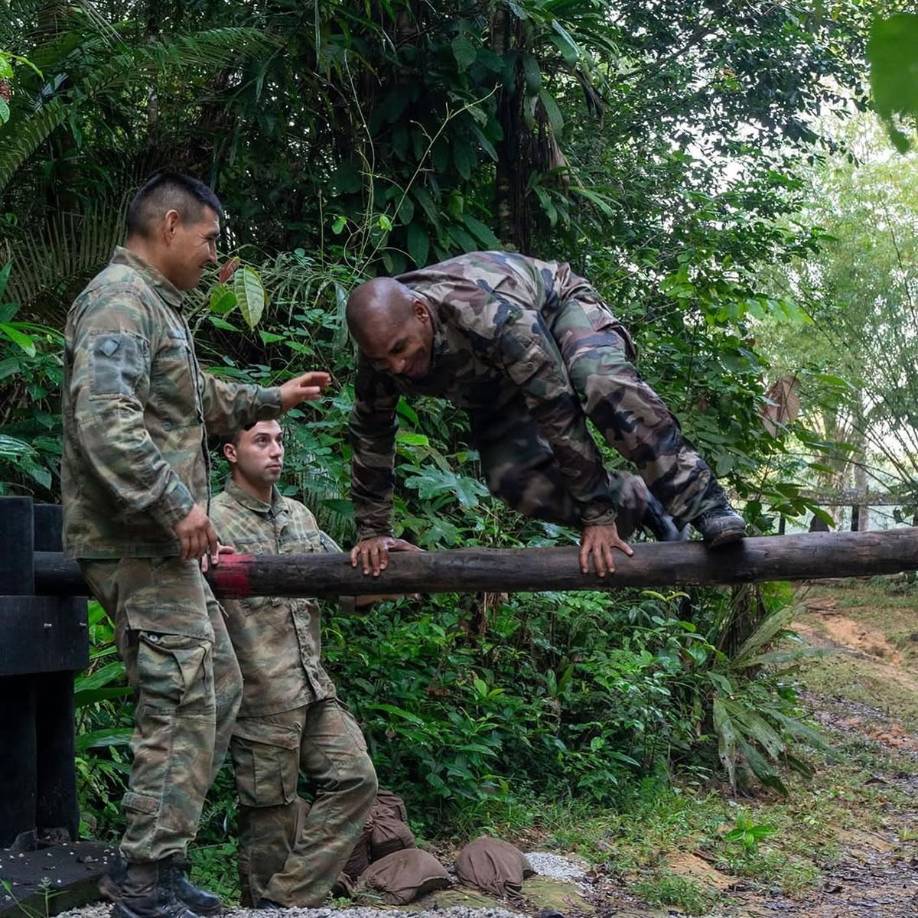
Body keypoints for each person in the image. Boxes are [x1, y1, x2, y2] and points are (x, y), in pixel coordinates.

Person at [61, 172, 330, 918]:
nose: (215, 256)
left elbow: (193, 398)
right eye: (210, 239)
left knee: (216, 685)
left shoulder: (155, 308)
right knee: (181, 691)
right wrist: (178, 505)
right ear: (170, 223)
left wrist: (272, 398)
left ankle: (162, 860)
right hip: (135, 542)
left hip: (159, 544)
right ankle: (142, 878)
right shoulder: (119, 301)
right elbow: (105, 420)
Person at [346, 251, 746, 579]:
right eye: (382, 360)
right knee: (514, 479)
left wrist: (597, 516)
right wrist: (373, 532)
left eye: (400, 350)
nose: (396, 367)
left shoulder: (489, 314)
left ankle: (705, 505)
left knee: (600, 381)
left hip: (557, 312)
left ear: (420, 313)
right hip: (492, 381)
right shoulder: (379, 356)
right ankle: (636, 501)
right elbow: (371, 435)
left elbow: (558, 411)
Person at [210, 419, 415, 907]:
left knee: (356, 778)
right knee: (270, 815)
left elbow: (345, 589)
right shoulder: (209, 519)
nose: (276, 450)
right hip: (259, 689)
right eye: (262, 441)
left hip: (313, 686)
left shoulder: (299, 515)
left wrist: (392, 572)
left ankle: (286, 902)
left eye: (279, 440)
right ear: (231, 453)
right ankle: (266, 904)